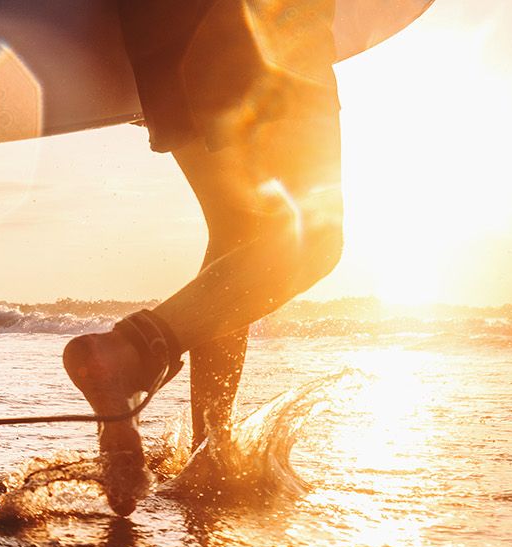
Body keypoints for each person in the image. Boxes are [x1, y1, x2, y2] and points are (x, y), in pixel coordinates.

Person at [65, 0, 344, 515]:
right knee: (315, 239)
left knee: (238, 232)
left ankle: (210, 447)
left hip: (162, 27)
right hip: (265, 25)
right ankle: (131, 353)